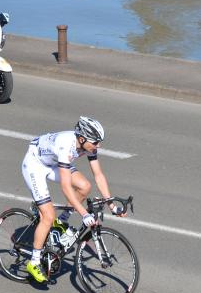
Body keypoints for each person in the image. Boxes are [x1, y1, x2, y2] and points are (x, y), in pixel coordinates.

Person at [21, 116, 125, 283]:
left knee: (85, 186)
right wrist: (84, 214)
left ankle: (61, 222)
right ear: (82, 139)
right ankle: (33, 262)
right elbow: (66, 188)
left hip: (54, 163)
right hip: (35, 165)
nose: (98, 146)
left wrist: (112, 205)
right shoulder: (65, 145)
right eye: (95, 142)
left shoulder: (88, 146)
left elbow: (98, 175)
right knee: (48, 216)